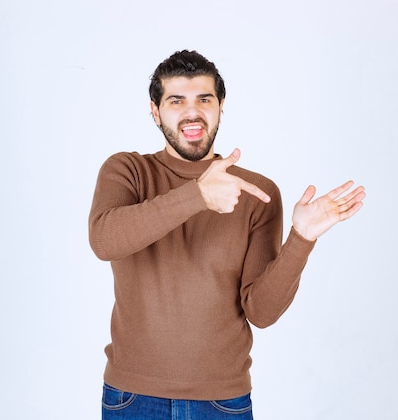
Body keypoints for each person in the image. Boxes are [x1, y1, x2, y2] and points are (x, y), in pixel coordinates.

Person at [88, 50, 365, 419]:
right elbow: (105, 240)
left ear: (220, 106)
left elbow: (261, 312)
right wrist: (197, 195)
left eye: (204, 99)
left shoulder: (256, 193)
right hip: (132, 399)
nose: (192, 112)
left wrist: (302, 238)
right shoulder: (127, 171)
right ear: (155, 111)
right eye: (176, 101)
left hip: (222, 403)